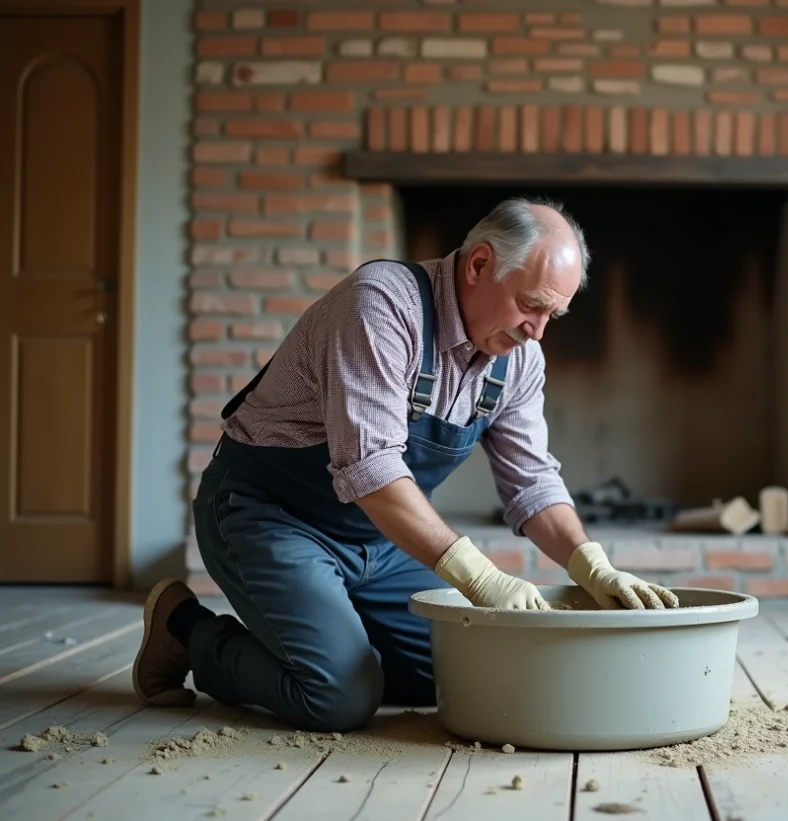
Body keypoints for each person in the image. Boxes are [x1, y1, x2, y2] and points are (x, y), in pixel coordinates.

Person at [131, 197, 680, 732]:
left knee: (456, 676)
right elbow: (370, 467)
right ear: (480, 263)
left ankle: (338, 648)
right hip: (272, 516)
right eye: (531, 305)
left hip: (381, 540)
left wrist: (592, 566)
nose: (538, 331)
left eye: (552, 314)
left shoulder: (518, 359)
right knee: (338, 699)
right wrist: (481, 578)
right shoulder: (381, 305)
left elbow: (532, 482)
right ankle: (186, 631)